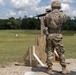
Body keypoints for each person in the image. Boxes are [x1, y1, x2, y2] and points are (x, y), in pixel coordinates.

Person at [44, 1, 70, 74]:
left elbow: (45, 24)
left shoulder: (47, 15)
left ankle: (49, 69)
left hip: (49, 35)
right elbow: (65, 20)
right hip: (58, 35)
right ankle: (64, 69)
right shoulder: (62, 15)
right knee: (61, 52)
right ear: (59, 7)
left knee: (49, 52)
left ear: (52, 6)